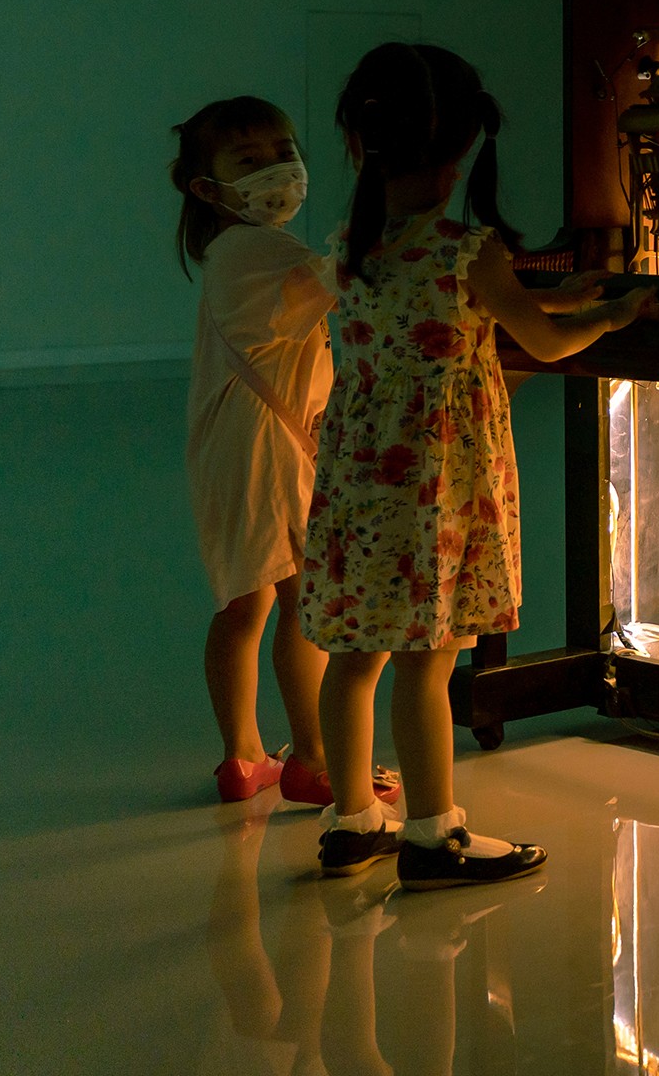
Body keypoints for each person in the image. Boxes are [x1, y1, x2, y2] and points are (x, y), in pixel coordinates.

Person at [305, 43, 648, 888]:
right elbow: (544, 337)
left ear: (363, 144)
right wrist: (614, 316)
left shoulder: (351, 240)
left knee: (358, 657)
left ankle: (353, 821)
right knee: (429, 659)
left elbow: (492, 309)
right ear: (462, 151)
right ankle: (433, 835)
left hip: (359, 479)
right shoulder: (470, 250)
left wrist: (560, 294)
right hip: (434, 486)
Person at [171, 96, 401, 811]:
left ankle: (242, 759)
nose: (278, 169)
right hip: (269, 448)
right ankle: (315, 760)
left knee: (247, 603)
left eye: (283, 151)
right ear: (206, 188)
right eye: (250, 160)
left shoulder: (229, 250)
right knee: (309, 604)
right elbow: (344, 281)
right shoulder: (261, 248)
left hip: (234, 444)